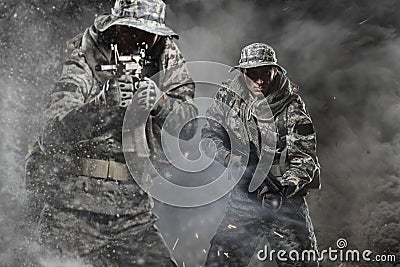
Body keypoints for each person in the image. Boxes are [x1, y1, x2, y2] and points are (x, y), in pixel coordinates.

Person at [24, 0, 197, 266]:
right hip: (73, 209)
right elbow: (51, 135)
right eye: (131, 31)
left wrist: (161, 103)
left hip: (133, 211)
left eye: (147, 36)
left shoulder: (164, 53)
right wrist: (101, 106)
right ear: (114, 30)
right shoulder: (85, 57)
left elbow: (190, 127)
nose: (139, 41)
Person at [202, 43, 321, 266]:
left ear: (275, 71)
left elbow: (305, 160)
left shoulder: (291, 107)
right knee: (220, 261)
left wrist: (284, 187)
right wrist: (228, 158)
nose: (260, 81)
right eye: (253, 74)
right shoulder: (228, 99)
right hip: (243, 199)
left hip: (285, 203)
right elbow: (208, 135)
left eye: (266, 73)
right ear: (243, 73)